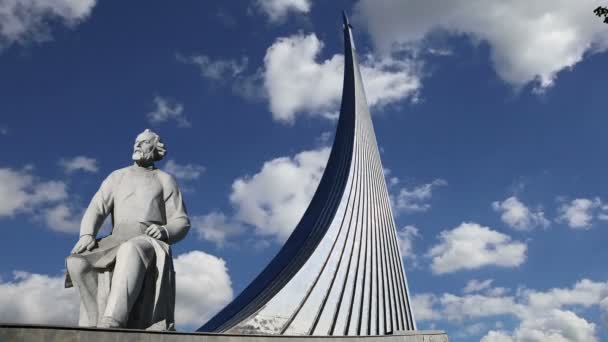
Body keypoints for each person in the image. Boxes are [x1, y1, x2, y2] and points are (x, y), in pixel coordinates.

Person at [65, 129, 190, 330]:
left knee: (131, 249)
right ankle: (94, 323)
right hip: (115, 239)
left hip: (147, 239)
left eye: (144, 142)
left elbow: (181, 220)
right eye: (136, 142)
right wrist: (87, 234)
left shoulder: (164, 179)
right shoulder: (117, 177)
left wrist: (165, 231)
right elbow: (97, 207)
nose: (137, 146)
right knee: (77, 263)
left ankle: (113, 321)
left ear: (155, 148)